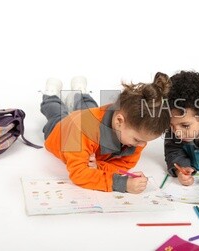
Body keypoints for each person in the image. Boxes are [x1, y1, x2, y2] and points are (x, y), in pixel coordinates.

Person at [41, 73, 171, 194]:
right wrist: (122, 184)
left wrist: (99, 166)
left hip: (88, 118)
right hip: (60, 130)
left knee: (90, 106)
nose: (142, 145)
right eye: (137, 140)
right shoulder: (82, 130)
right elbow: (79, 173)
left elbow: (123, 165)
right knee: (56, 112)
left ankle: (80, 94)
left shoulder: (126, 124)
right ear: (119, 121)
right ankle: (50, 96)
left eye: (145, 141)